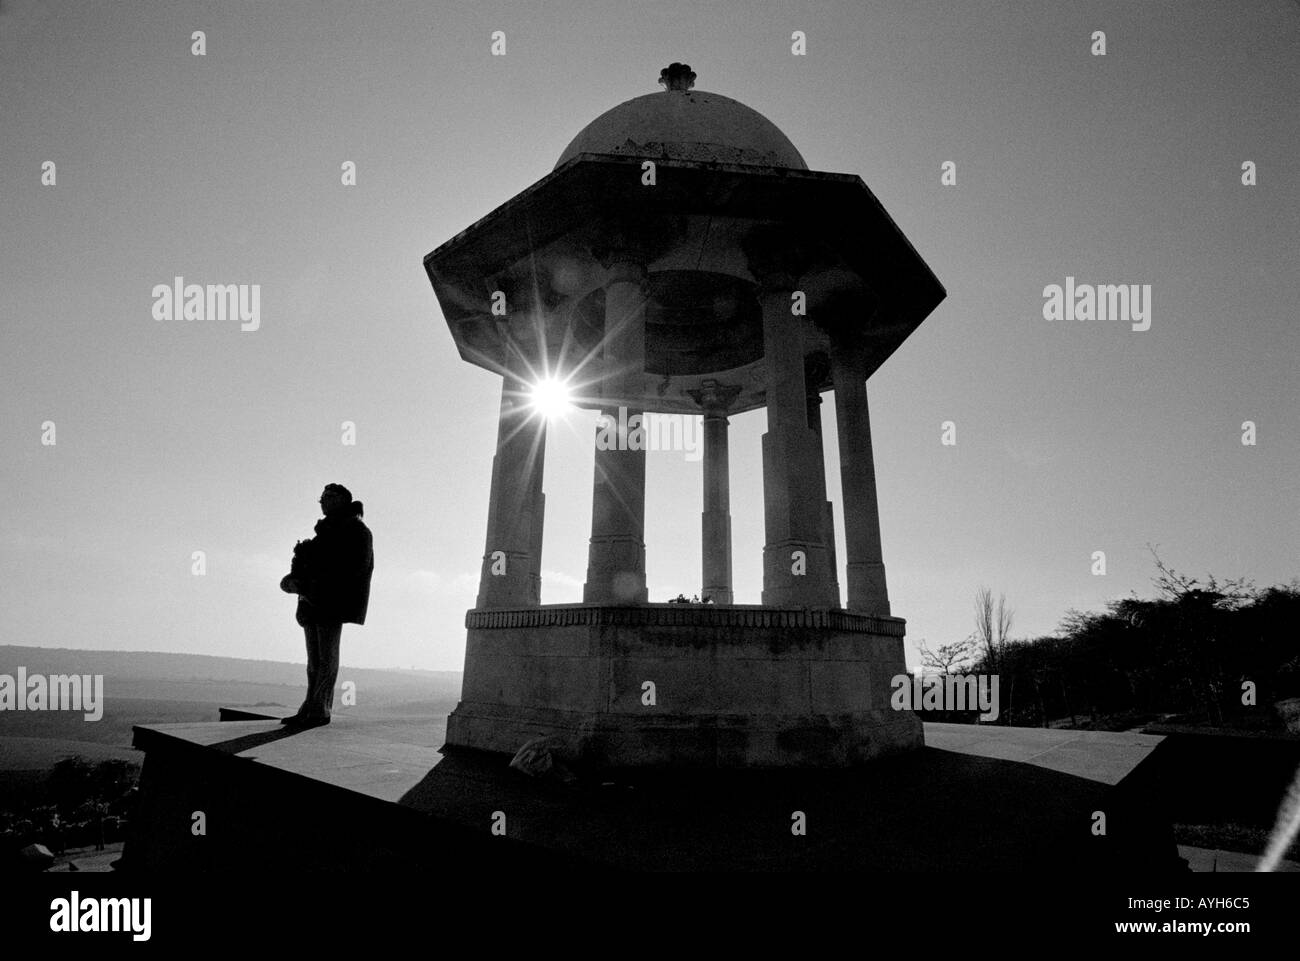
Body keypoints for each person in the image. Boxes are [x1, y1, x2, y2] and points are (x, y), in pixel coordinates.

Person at [278, 484, 374, 727]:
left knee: (325, 660)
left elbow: (354, 570)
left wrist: (316, 581)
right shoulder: (325, 533)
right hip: (312, 602)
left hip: (331, 603)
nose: (323, 501)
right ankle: (311, 707)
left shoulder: (356, 531)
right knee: (314, 662)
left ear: (343, 500)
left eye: (329, 497)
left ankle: (319, 710)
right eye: (322, 497)